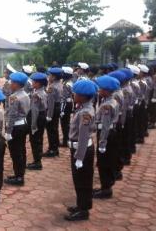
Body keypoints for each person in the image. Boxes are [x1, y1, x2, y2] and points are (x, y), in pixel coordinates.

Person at [64, 79, 97, 222]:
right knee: (79, 180)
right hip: (80, 149)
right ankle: (81, 205)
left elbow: (83, 137)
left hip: (82, 150)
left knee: (83, 181)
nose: (73, 95)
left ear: (83, 96)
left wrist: (79, 157)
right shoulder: (83, 107)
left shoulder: (85, 113)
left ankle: (84, 211)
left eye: (76, 93)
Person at [93, 75, 120, 200]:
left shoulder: (106, 106)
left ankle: (106, 189)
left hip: (106, 134)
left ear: (107, 90)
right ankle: (105, 186)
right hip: (110, 133)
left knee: (104, 162)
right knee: (107, 160)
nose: (99, 90)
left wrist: (102, 143)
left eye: (101, 88)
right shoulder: (110, 101)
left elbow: (105, 126)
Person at [4, 72, 30, 186]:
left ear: (17, 84)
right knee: (21, 150)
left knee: (16, 152)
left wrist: (8, 131)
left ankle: (19, 177)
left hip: (16, 126)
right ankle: (20, 173)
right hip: (23, 124)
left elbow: (12, 115)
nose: (10, 84)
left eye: (12, 82)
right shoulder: (25, 94)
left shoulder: (14, 97)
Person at [107, 70, 126, 181]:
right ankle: (116, 170)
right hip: (117, 121)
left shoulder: (115, 95)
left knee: (113, 150)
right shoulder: (119, 92)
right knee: (115, 148)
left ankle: (115, 172)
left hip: (114, 123)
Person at [27, 72, 48, 170]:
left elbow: (35, 111)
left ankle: (37, 162)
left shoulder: (36, 95)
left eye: (34, 82)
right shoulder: (43, 92)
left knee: (34, 140)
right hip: (42, 116)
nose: (32, 83)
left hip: (37, 117)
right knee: (39, 139)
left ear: (39, 83)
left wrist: (33, 125)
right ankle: (37, 160)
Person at [43, 67, 63, 158]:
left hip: (53, 109)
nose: (49, 77)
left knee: (51, 130)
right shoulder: (60, 84)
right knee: (54, 129)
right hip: (58, 107)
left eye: (50, 75)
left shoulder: (52, 87)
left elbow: (50, 102)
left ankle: (52, 149)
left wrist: (49, 115)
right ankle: (55, 148)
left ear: (54, 77)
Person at [60, 66, 74, 147]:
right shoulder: (69, 83)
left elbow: (64, 98)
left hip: (66, 105)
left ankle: (66, 140)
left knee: (64, 123)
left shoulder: (66, 84)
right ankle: (67, 139)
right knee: (66, 123)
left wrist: (62, 110)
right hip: (69, 104)